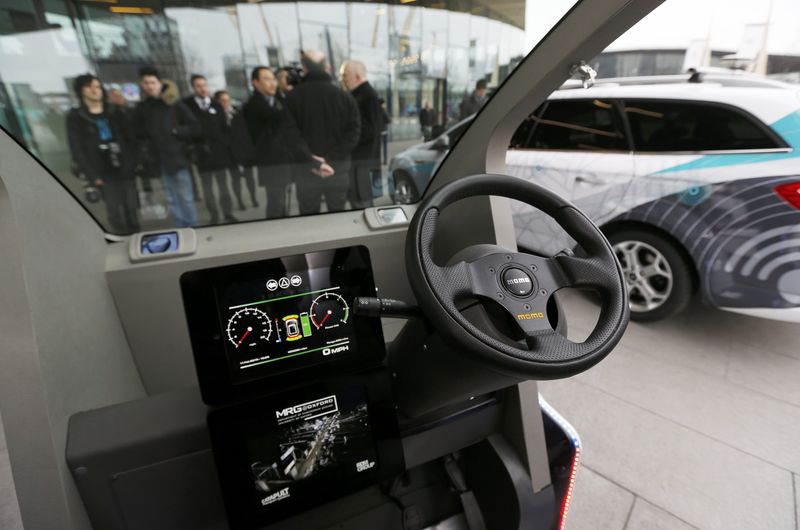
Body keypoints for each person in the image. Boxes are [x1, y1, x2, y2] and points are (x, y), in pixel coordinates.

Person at [243, 66, 333, 219]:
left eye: (274, 79)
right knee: (276, 204)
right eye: (267, 79)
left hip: (283, 161)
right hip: (271, 163)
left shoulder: (277, 100)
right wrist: (296, 91)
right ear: (255, 83)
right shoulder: (254, 105)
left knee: (282, 202)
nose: (273, 83)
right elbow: (281, 116)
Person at [286, 50, 360, 215]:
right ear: (327, 68)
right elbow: (353, 135)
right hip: (337, 170)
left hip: (306, 171)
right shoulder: (345, 98)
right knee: (337, 216)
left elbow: (291, 136)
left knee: (309, 220)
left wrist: (314, 163)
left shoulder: (292, 98)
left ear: (304, 69)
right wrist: (329, 161)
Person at [66, 74, 139, 233]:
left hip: (124, 167)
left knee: (131, 209)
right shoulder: (76, 116)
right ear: (81, 90)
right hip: (101, 171)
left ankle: (135, 235)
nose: (95, 90)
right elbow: (76, 148)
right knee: (114, 212)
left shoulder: (115, 111)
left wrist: (132, 163)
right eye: (89, 86)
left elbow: (131, 139)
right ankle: (121, 239)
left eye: (97, 86)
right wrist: (92, 175)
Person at [132, 66, 200, 228]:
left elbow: (195, 127)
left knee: (185, 198)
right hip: (159, 160)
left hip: (178, 158)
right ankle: (181, 228)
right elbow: (137, 134)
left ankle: (193, 228)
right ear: (142, 85)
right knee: (171, 199)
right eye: (146, 83)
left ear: (159, 83)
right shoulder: (142, 109)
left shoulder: (173, 104)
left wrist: (177, 131)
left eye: (153, 82)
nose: (150, 86)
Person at [183, 74, 237, 224]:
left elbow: (224, 128)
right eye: (198, 86)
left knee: (223, 185)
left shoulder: (216, 104)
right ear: (193, 88)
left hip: (219, 153)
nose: (202, 89)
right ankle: (214, 215)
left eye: (204, 85)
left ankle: (228, 213)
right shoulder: (187, 105)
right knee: (207, 188)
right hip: (202, 154)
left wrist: (225, 144)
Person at [339, 60, 381, 208]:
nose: (342, 79)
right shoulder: (363, 94)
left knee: (362, 205)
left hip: (361, 161)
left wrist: (346, 140)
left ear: (356, 76)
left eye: (345, 75)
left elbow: (370, 130)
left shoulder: (365, 95)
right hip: (362, 161)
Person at [214, 89, 259, 210]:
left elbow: (245, 132)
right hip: (231, 153)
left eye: (227, 100)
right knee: (236, 179)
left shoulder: (237, 112)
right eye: (223, 101)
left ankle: (253, 198)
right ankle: (239, 201)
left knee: (250, 178)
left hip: (244, 151)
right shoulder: (216, 116)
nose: (226, 103)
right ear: (217, 102)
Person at [378, 98, 391, 165]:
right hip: (384, 131)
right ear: (382, 104)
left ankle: (377, 160)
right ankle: (385, 160)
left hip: (378, 132)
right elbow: (388, 120)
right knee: (385, 147)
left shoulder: (376, 111)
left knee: (378, 147)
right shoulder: (383, 111)